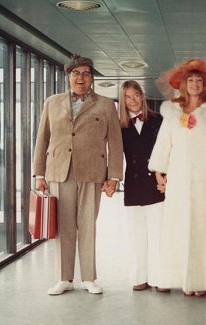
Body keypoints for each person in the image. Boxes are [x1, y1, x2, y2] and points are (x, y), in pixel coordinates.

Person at [33, 54, 123, 295]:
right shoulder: (52, 102)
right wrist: (38, 173)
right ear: (68, 76)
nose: (80, 78)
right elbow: (42, 138)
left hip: (92, 172)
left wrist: (114, 177)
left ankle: (89, 278)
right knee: (64, 227)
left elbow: (115, 142)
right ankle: (64, 278)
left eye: (85, 73)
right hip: (59, 172)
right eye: (76, 73)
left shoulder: (105, 105)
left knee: (87, 225)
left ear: (92, 78)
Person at [149, 59, 206, 297]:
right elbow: (164, 142)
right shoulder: (172, 110)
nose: (195, 84)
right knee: (175, 226)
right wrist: (159, 170)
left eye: (199, 80)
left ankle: (199, 281)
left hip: (205, 179)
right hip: (178, 178)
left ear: (205, 85)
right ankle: (172, 276)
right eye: (191, 80)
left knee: (203, 228)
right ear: (183, 85)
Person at [118, 80, 168, 293]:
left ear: (143, 95)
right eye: (127, 97)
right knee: (136, 234)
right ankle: (139, 276)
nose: (132, 101)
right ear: (123, 101)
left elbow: (168, 150)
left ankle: (161, 278)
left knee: (158, 233)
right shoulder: (119, 124)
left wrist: (165, 176)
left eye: (136, 95)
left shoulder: (158, 119)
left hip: (156, 183)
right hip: (133, 184)